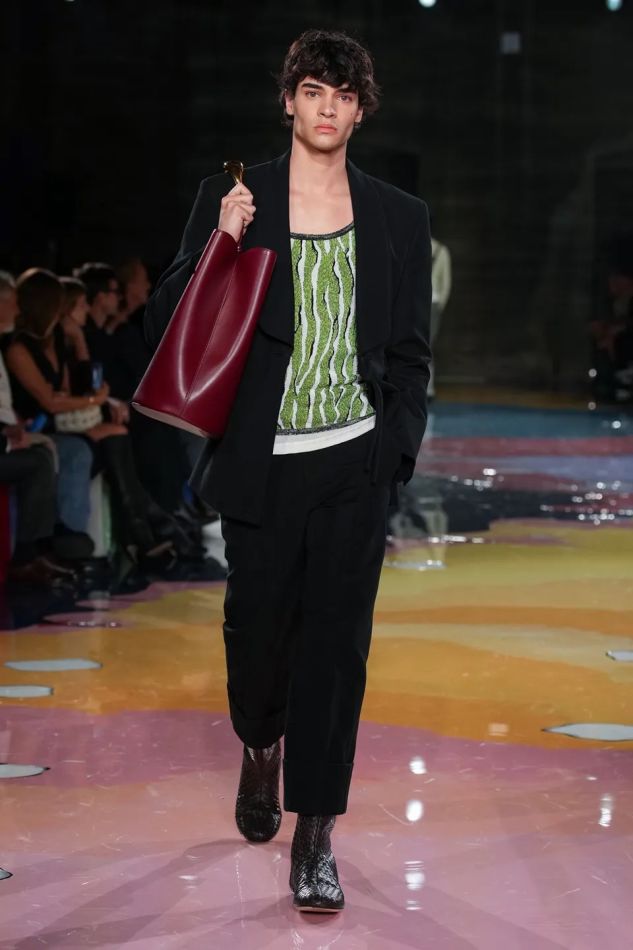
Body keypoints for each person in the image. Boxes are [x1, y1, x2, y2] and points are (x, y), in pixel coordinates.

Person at [145, 29, 431, 913]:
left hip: (354, 461)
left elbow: (410, 350)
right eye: (313, 91)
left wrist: (392, 455)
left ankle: (315, 833)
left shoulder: (397, 216)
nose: (327, 108)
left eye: (343, 96)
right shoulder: (237, 197)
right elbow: (167, 320)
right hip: (261, 461)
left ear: (359, 111)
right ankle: (260, 741)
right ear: (288, 100)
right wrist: (219, 242)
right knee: (256, 634)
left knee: (336, 649)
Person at [6, 268, 180, 571]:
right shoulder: (19, 348)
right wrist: (94, 401)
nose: (83, 309)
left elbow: (68, 391)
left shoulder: (55, 343)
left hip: (64, 421)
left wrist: (79, 342)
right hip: (43, 425)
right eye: (77, 304)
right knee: (111, 438)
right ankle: (141, 534)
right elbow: (50, 401)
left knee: (118, 435)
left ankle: (141, 533)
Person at [429, 230, 451, 398]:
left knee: (426, 346)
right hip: (417, 303)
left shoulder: (440, 251)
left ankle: (428, 388)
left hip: (432, 304)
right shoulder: (411, 244)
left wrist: (439, 304)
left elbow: (445, 282)